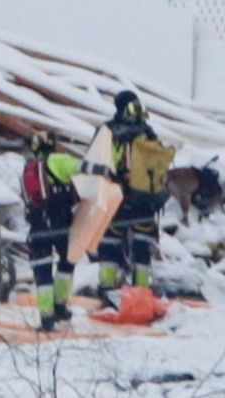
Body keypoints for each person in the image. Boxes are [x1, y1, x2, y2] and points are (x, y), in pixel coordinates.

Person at [93, 90, 175, 304]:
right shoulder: (147, 132)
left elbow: (95, 162)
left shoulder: (107, 131)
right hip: (145, 200)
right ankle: (142, 290)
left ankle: (106, 288)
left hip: (115, 196)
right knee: (142, 247)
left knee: (109, 244)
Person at [21, 133, 82, 331]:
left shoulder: (29, 169)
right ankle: (60, 307)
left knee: (42, 273)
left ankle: (46, 318)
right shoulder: (58, 160)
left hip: (38, 226)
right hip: (61, 224)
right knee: (67, 263)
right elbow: (81, 167)